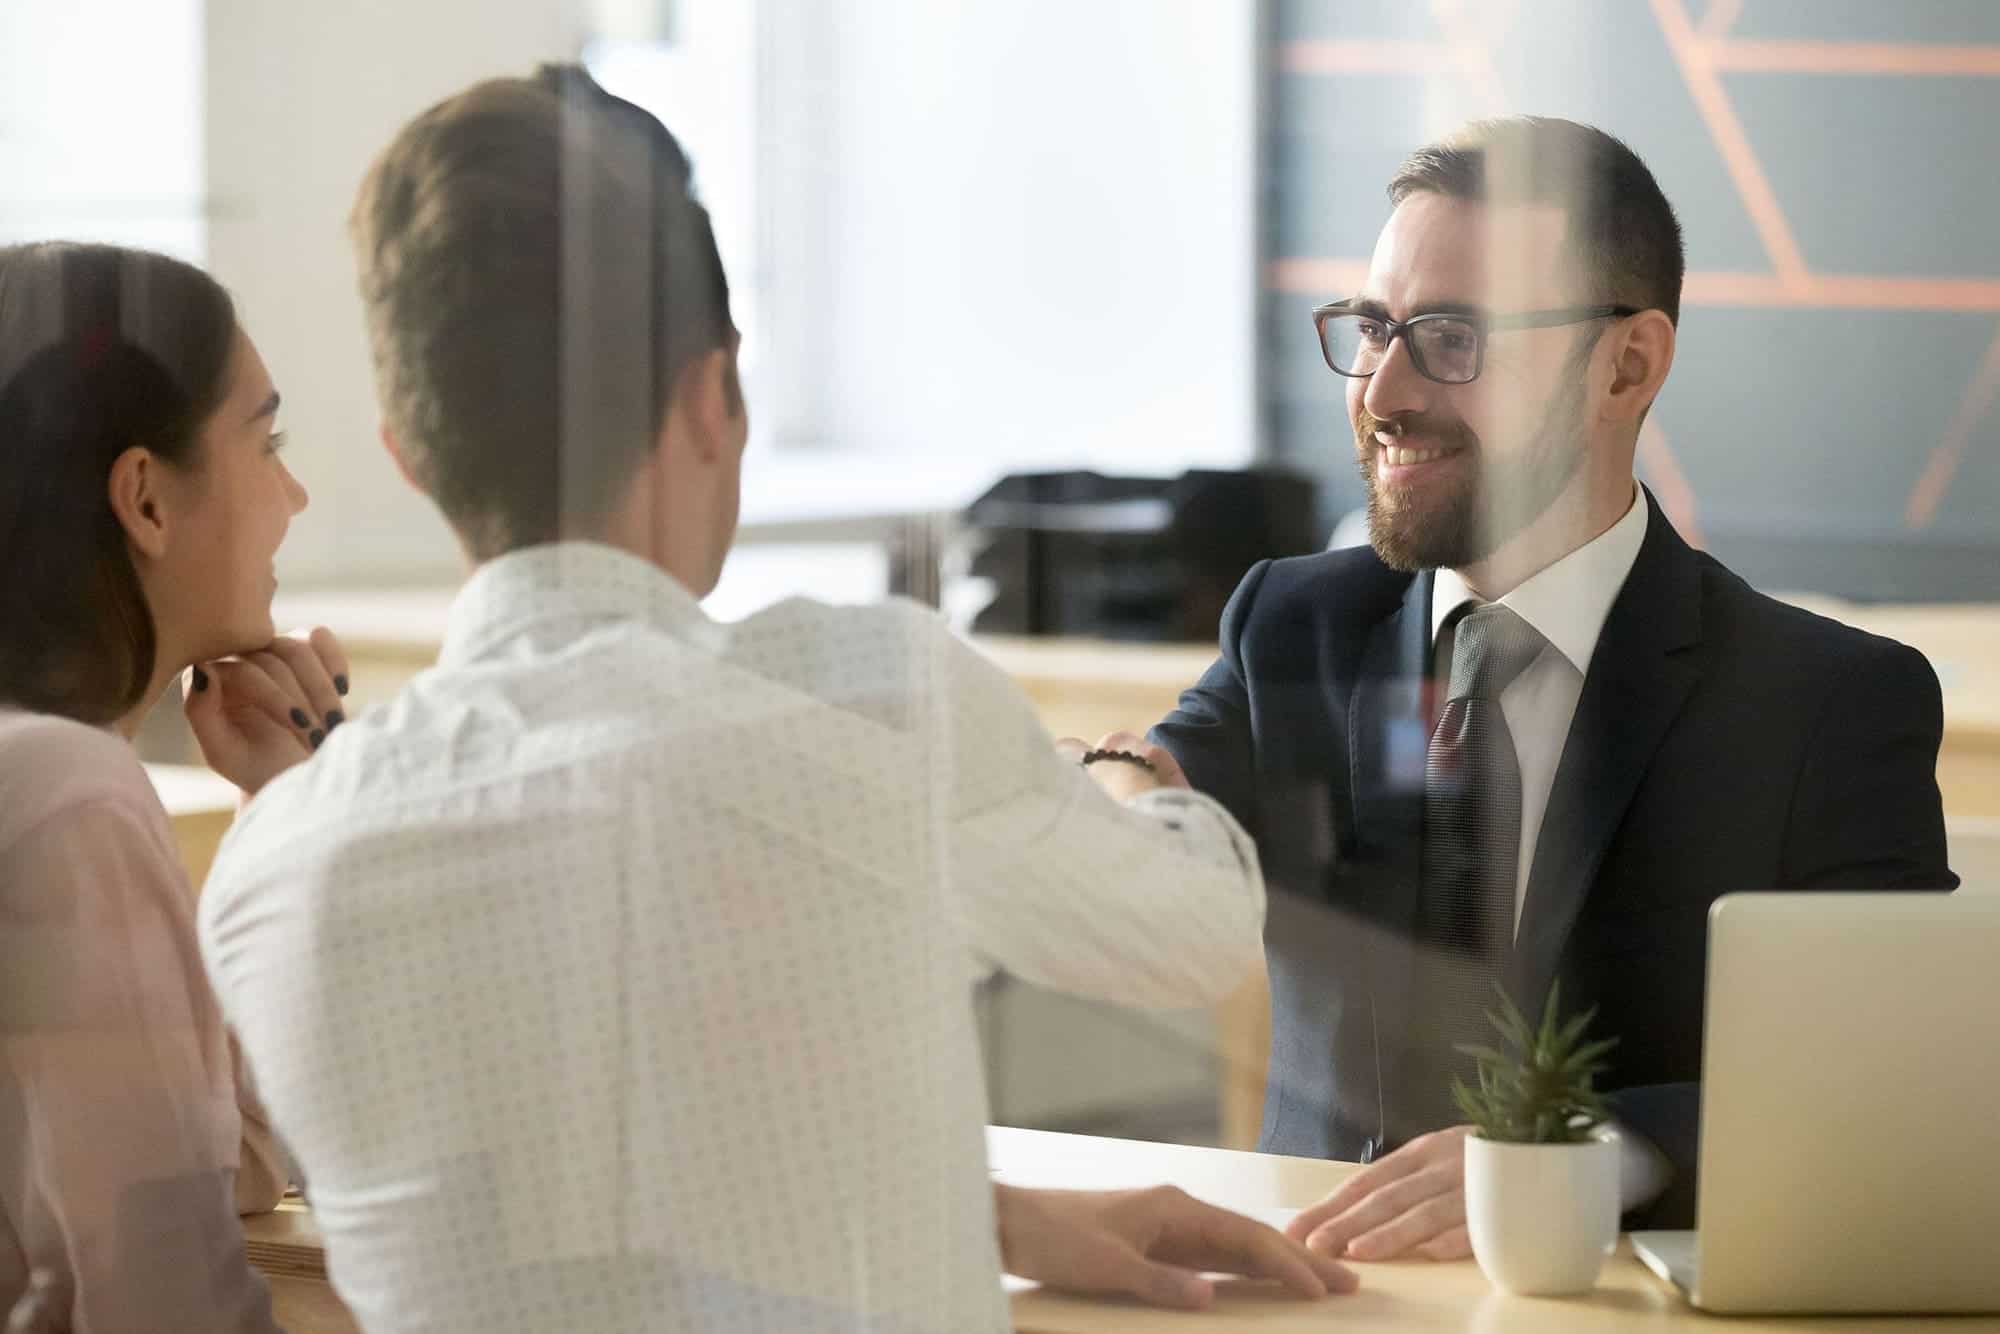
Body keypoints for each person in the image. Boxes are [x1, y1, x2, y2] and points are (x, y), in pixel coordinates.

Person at [196, 66, 1355, 1333]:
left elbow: (582, 1204)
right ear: (714, 395)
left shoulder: (276, 865)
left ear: (408, 455)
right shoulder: (868, 700)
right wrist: (1118, 770)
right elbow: (1193, 931)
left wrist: (996, 1212)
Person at [1148, 116, 1957, 1255]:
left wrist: (1591, 1150)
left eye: (1451, 337)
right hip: (1312, 1289)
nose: (1381, 391)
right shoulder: (1291, 623)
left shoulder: (1824, 701)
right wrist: (1109, 785)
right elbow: (1161, 787)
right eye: (1373, 328)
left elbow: (1886, 1071)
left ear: (1625, 364)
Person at [0, 242, 351, 1329]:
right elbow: (164, 1294)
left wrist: (273, 818)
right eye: (268, 439)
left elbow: (222, 1166)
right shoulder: (66, 793)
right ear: (144, 496)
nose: (293, 494)